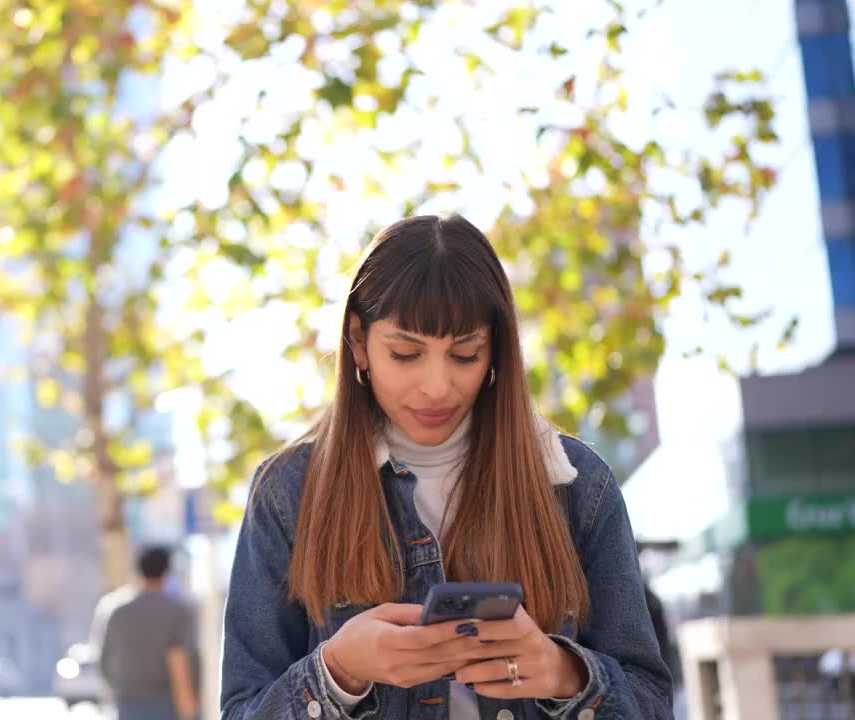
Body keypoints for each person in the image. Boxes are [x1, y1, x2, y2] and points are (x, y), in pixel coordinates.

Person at [220, 215, 673, 719]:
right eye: (406, 354)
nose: (437, 386)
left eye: (464, 354)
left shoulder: (578, 485)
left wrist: (562, 672)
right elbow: (242, 708)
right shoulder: (289, 492)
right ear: (357, 342)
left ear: (495, 351)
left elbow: (652, 702)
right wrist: (338, 670)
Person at [100, 545, 200, 720]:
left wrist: (118, 690)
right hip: (166, 705)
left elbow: (103, 660)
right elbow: (182, 659)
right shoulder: (177, 611)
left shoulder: (115, 610)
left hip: (127, 705)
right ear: (166, 572)